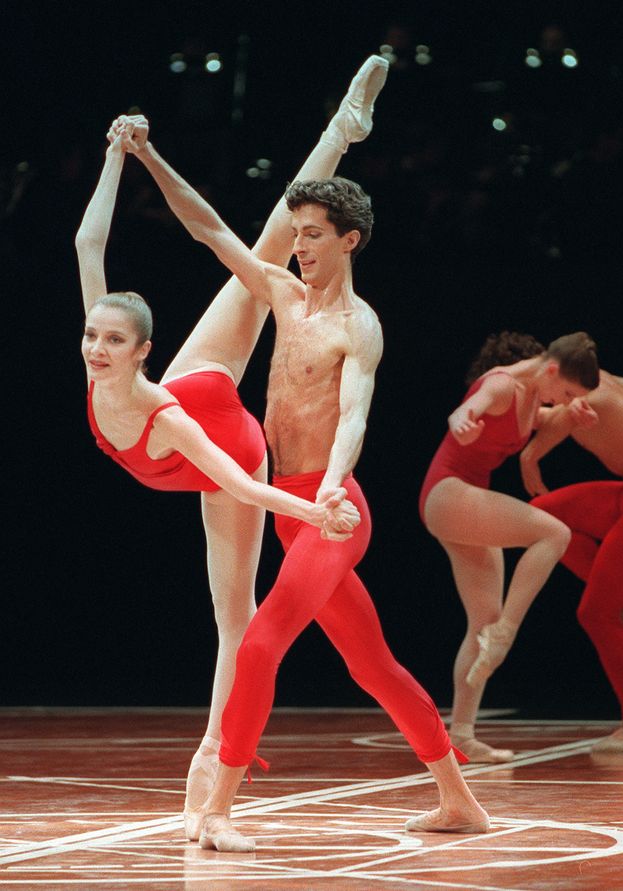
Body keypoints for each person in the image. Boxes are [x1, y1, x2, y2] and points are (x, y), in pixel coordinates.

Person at [120, 113, 492, 854]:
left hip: (332, 510)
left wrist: (333, 487)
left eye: (314, 233)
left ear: (349, 239)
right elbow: (207, 228)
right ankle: (460, 801)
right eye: (297, 233)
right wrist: (148, 155)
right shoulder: (284, 296)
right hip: (291, 504)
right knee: (373, 663)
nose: (301, 246)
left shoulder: (360, 325)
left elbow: (354, 415)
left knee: (259, 644)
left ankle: (220, 805)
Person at [78, 55, 390, 833]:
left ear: (142, 350)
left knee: (235, 617)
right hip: (190, 401)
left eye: (112, 339)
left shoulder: (166, 410)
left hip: (231, 445)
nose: (95, 347)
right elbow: (90, 244)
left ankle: (213, 765)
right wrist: (123, 154)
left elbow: (249, 489)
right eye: (93, 337)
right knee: (254, 244)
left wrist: (317, 512)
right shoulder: (105, 362)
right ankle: (342, 131)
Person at [419, 331, 600, 762]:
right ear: (551, 370)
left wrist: (571, 413)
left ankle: (461, 736)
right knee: (553, 533)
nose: (563, 398)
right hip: (448, 492)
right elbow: (467, 408)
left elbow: (548, 420)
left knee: (483, 621)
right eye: (568, 390)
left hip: (462, 502)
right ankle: (508, 631)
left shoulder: (535, 395)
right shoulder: (503, 385)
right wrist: (461, 419)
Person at [520, 370, 623, 752]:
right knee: (541, 517)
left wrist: (528, 455)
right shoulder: (593, 383)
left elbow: (538, 443)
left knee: (596, 614)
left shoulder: (579, 404)